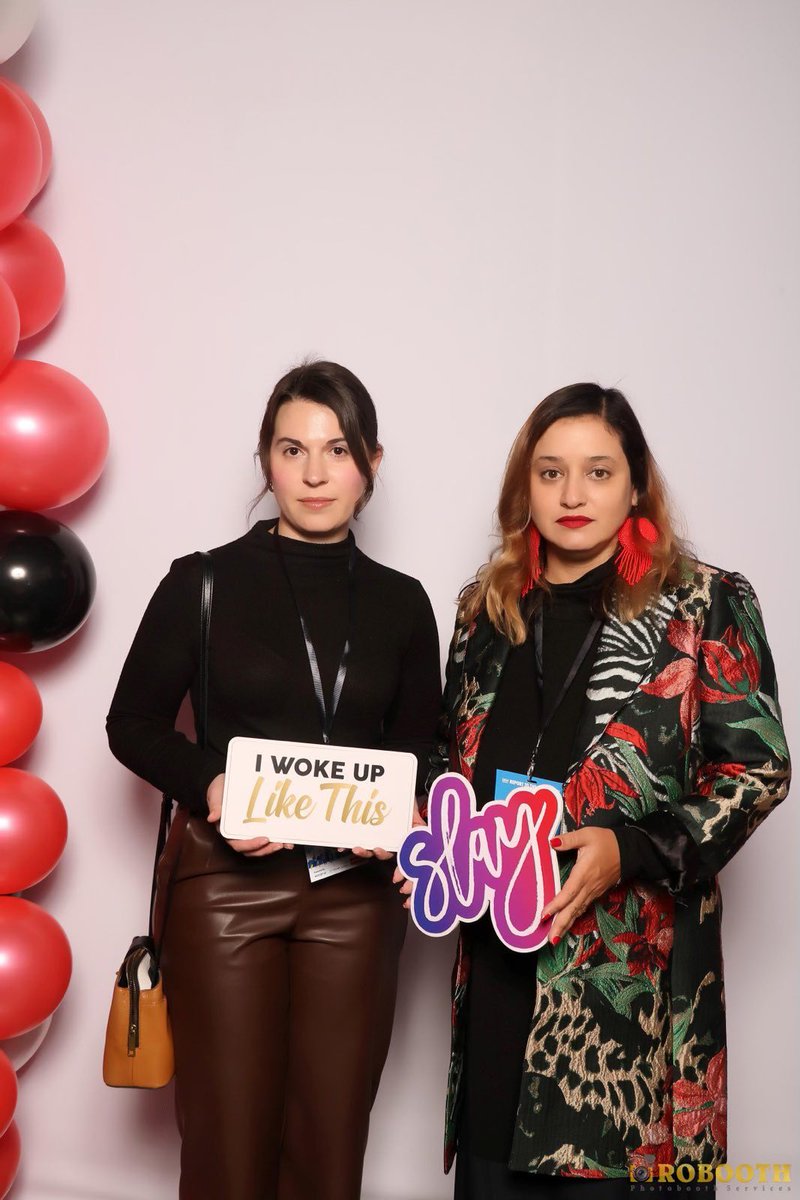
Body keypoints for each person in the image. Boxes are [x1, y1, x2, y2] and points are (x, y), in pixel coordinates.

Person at [418, 383, 790, 1198]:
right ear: (525, 490)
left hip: (629, 996)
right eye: (550, 473)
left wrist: (629, 849)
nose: (573, 494)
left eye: (597, 471)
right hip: (498, 970)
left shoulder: (704, 603)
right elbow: (450, 759)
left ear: (635, 486)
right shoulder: (484, 613)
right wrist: (422, 833)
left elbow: (759, 768)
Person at [106, 360, 441, 1200]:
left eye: (338, 449)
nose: (316, 473)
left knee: (330, 1146)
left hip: (357, 896)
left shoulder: (405, 604)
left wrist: (406, 812)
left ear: (371, 460)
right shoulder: (203, 583)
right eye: (294, 449)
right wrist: (211, 785)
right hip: (225, 886)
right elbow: (132, 723)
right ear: (266, 460)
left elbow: (424, 750)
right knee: (226, 1140)